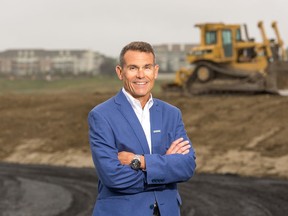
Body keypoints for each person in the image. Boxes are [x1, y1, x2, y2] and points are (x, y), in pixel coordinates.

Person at [88, 41, 196, 216]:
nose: (141, 75)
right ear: (120, 72)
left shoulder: (172, 113)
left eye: (147, 67)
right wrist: (165, 167)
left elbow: (187, 166)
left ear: (155, 71)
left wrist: (140, 162)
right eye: (133, 68)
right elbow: (113, 177)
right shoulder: (101, 115)